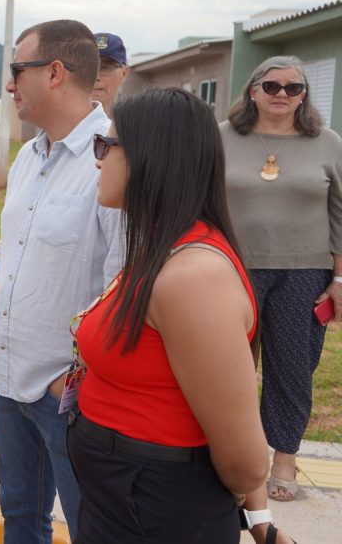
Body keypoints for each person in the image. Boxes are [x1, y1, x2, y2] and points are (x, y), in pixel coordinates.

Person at [69, 87, 278, 543]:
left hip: (157, 513)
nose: (97, 161)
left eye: (105, 145)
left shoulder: (194, 277)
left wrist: (251, 511)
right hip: (125, 503)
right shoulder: (163, 248)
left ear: (151, 158)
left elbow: (244, 461)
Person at [0, 19, 122, 543]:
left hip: (69, 396)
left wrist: (80, 378)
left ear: (55, 72)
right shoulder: (28, 156)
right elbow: (6, 253)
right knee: (20, 517)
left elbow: (124, 284)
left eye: (18, 70)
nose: (10, 85)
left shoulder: (113, 158)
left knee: (91, 528)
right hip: (8, 375)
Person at [221, 55, 342, 503]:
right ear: (253, 90)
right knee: (225, 366)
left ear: (304, 95)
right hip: (232, 269)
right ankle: (232, 457)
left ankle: (285, 458)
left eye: (294, 88)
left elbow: (340, 214)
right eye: (272, 86)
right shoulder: (221, 137)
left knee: (292, 368)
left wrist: (340, 281)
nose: (282, 95)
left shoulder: (327, 143)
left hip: (305, 272)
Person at [92, 32, 130, 116]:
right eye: (89, 67)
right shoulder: (62, 121)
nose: (96, 77)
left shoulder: (135, 122)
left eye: (105, 68)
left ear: (124, 74)